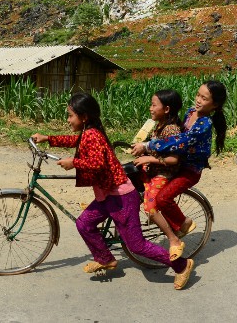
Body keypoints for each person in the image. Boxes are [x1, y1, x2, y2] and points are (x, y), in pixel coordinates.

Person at [31, 92, 194, 290]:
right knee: (84, 224)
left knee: (137, 246)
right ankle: (105, 258)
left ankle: (182, 265)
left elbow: (97, 163)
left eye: (70, 115)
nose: (68, 120)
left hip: (121, 197)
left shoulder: (93, 134)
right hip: (107, 195)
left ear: (84, 117)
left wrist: (73, 162)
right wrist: (48, 138)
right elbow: (74, 141)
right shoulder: (87, 131)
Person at [132, 80, 227, 240]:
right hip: (178, 163)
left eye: (204, 98)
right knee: (147, 185)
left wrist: (149, 146)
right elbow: (176, 133)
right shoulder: (190, 112)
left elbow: (180, 140)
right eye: (198, 95)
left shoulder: (204, 124)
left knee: (163, 198)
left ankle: (184, 223)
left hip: (189, 170)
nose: (198, 100)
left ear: (214, 105)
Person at [131, 90, 186, 262]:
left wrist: (149, 158)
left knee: (151, 208)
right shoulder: (160, 124)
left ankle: (173, 239)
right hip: (153, 170)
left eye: (154, 105)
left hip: (163, 174)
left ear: (167, 109)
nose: (150, 108)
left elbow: (173, 159)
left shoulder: (171, 130)